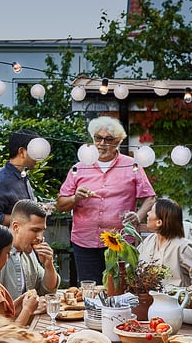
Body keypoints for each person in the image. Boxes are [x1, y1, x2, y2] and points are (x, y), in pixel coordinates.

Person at [56, 115, 155, 283]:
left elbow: (150, 197)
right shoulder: (79, 167)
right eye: (98, 138)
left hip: (120, 241)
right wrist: (75, 198)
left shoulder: (132, 165)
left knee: (120, 288)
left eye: (108, 139)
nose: (102, 143)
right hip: (85, 241)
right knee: (89, 288)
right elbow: (60, 204)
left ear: (118, 142)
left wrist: (138, 217)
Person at [138, 197, 192, 289]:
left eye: (151, 211)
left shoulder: (182, 247)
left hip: (174, 297)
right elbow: (133, 264)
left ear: (159, 222)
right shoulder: (149, 240)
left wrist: (187, 292)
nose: (147, 213)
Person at [0, 199, 60, 302]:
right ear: (16, 227)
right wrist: (28, 309)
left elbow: (47, 292)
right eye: (35, 230)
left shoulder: (29, 253)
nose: (40, 237)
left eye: (42, 231)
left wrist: (48, 265)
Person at [0, 129, 41, 225]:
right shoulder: (1, 181)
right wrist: (27, 218)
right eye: (34, 151)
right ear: (22, 151)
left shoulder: (23, 175)